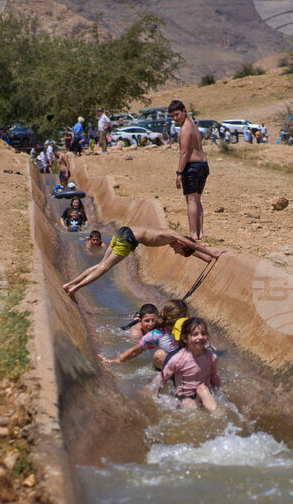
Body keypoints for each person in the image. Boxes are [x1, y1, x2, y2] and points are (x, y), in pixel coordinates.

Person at [63, 225, 223, 298]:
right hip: (129, 239)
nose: (175, 252)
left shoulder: (170, 238)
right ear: (182, 244)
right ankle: (75, 289)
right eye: (179, 251)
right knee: (104, 268)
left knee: (100, 265)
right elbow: (193, 244)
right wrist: (213, 254)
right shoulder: (174, 236)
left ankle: (68, 284)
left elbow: (191, 250)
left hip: (123, 231)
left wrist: (206, 259)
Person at [150, 317, 222, 413]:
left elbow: (214, 377)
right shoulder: (178, 359)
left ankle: (219, 417)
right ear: (184, 338)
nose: (200, 337)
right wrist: (152, 397)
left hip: (202, 393)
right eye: (195, 334)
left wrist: (220, 394)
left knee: (203, 388)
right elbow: (162, 378)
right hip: (183, 397)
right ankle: (200, 419)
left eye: (203, 334)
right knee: (192, 405)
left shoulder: (211, 357)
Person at [168, 100, 210, 241]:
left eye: (177, 114)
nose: (175, 118)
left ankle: (193, 234)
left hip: (192, 167)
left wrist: (179, 173)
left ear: (184, 111)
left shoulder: (185, 128)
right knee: (197, 199)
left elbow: (184, 152)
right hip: (203, 164)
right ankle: (200, 233)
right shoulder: (193, 125)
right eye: (172, 116)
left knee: (191, 200)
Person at [104, 300, 188, 370]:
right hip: (168, 369)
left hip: (185, 366)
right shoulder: (155, 335)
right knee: (159, 355)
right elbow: (134, 352)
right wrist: (113, 360)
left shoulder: (188, 331)